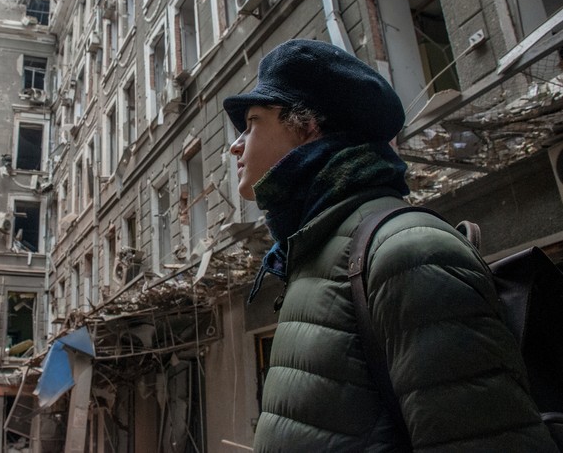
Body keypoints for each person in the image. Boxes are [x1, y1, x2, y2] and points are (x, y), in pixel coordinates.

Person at [223, 39, 556, 452]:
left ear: (307, 125)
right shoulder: (315, 253)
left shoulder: (405, 252)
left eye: (252, 122)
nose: (235, 146)